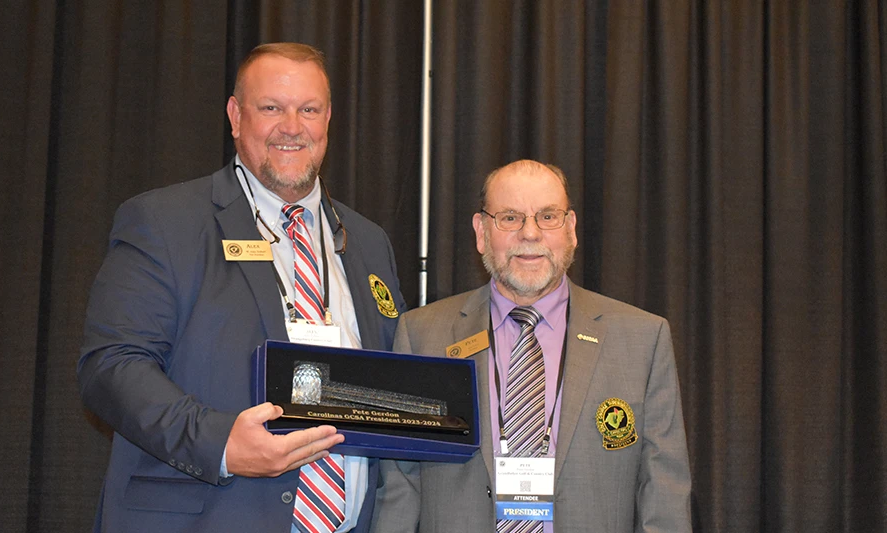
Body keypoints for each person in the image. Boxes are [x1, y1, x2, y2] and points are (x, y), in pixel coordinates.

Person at [78, 42, 406, 532]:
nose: (292, 127)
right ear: (235, 116)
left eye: (308, 110)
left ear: (328, 119)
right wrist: (222, 444)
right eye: (271, 108)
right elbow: (111, 366)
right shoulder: (166, 222)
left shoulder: (369, 242)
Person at [372, 160, 690, 532]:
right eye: (510, 218)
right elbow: (400, 490)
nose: (530, 233)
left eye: (548, 217)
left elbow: (664, 500)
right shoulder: (422, 336)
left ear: (571, 229)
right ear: (481, 232)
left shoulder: (641, 339)